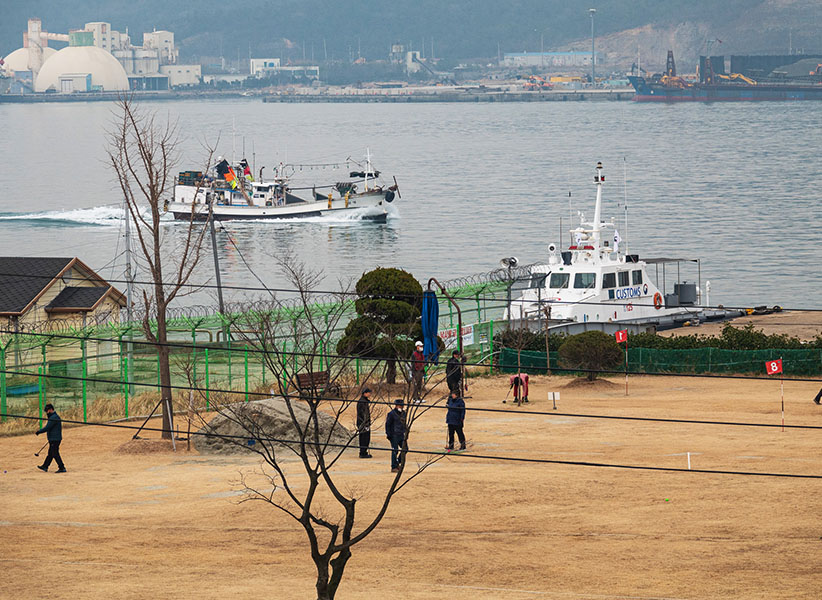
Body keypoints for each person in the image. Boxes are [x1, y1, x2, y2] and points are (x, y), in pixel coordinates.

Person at [36, 404, 65, 473]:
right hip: (54, 438)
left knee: (55, 453)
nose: (47, 412)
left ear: (51, 409)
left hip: (55, 439)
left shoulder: (53, 417)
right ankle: (45, 466)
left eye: (48, 411)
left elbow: (47, 427)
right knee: (51, 453)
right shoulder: (53, 417)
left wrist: (39, 431)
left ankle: (62, 467)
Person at [385, 398, 406, 473]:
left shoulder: (404, 413)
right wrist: (388, 434)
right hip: (394, 434)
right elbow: (388, 424)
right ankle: (394, 466)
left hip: (401, 434)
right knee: (395, 450)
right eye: (400, 406)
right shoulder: (391, 414)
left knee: (405, 448)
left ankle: (397, 462)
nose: (401, 407)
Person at [357, 387, 373, 458]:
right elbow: (363, 413)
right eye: (368, 393)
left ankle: (364, 451)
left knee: (366, 437)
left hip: (363, 422)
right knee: (364, 438)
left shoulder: (364, 401)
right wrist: (365, 422)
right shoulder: (362, 402)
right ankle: (363, 452)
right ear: (365, 393)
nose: (370, 394)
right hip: (363, 422)